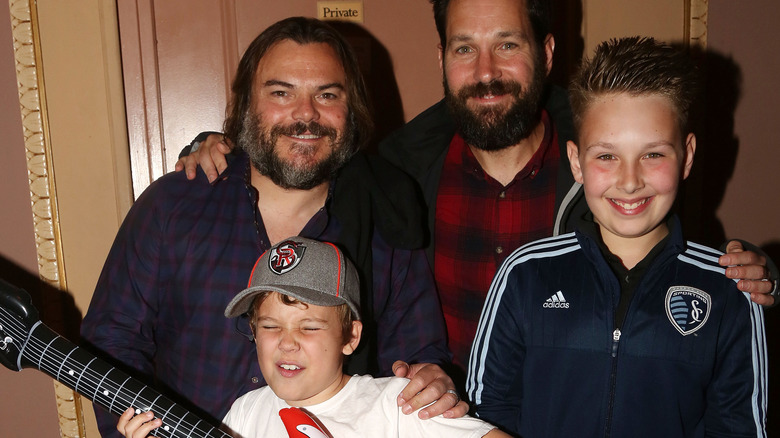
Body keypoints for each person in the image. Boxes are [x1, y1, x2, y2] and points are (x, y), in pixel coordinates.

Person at [179, 0, 777, 383]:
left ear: (545, 54)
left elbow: (687, 292)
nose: (485, 70)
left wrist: (763, 278)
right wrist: (223, 145)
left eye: (507, 45)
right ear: (442, 58)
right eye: (465, 48)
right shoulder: (391, 173)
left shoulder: (609, 166)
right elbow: (299, 156)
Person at [81, 17, 464, 438]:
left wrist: (430, 378)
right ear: (247, 104)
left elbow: (417, 354)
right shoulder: (173, 206)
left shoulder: (385, 221)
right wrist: (140, 429)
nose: (305, 114)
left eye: (327, 94)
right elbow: (110, 342)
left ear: (350, 109)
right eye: (281, 92)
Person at [467, 37, 767, 437]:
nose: (630, 181)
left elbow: (739, 427)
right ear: (576, 161)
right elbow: (485, 415)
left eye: (653, 154)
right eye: (607, 156)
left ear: (688, 156)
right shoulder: (524, 274)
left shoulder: (731, 292)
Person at [116, 237, 511, 438]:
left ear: (350, 336)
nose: (287, 342)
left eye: (308, 327)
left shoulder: (396, 403)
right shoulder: (246, 414)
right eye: (270, 326)